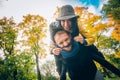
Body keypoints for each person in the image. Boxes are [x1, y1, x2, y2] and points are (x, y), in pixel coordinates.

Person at [49, 5, 105, 80]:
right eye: (63, 21)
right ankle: (60, 75)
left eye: (69, 20)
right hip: (66, 54)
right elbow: (51, 44)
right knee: (57, 54)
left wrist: (84, 41)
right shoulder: (55, 29)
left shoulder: (78, 26)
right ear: (60, 21)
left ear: (73, 20)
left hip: (78, 45)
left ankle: (101, 60)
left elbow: (91, 38)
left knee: (92, 47)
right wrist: (52, 50)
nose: (66, 24)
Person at [52, 28, 120, 80]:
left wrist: (118, 72)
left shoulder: (82, 46)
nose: (66, 44)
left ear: (70, 36)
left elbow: (102, 61)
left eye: (66, 39)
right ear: (57, 45)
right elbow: (62, 73)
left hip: (94, 75)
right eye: (61, 43)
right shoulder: (60, 55)